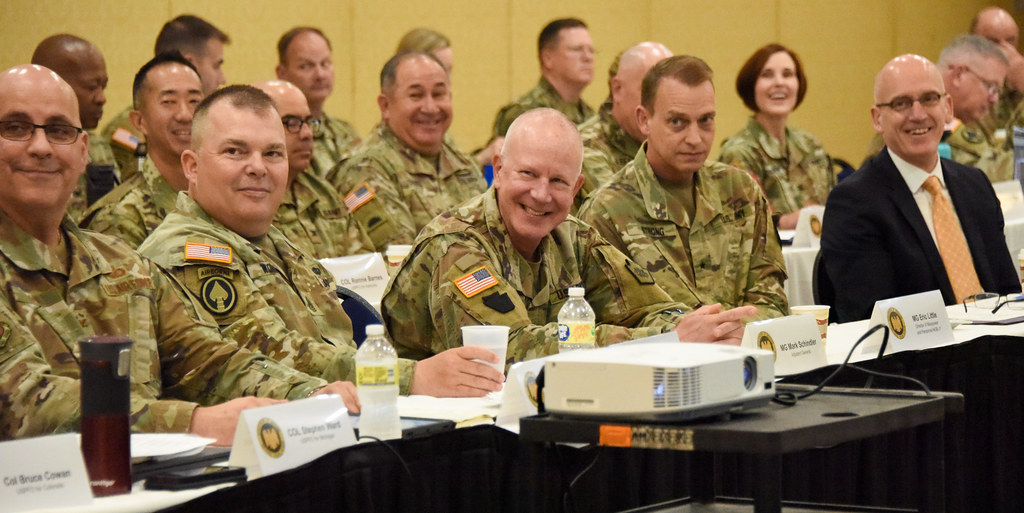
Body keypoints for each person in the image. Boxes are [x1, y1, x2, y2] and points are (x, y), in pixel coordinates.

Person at [0, 65, 356, 444]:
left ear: (83, 150)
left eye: (59, 131)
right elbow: (27, 401)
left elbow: (206, 359)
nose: (41, 147)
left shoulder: (122, 264)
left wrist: (307, 395)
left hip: (151, 476)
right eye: (16, 128)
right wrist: (193, 422)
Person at [137, 85, 503, 398]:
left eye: (272, 153)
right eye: (235, 151)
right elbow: (271, 356)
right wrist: (411, 377)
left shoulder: (274, 243)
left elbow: (339, 343)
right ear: (192, 166)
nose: (258, 167)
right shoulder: (188, 251)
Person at [383, 108, 756, 363]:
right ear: (498, 170)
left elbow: (647, 307)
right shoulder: (456, 245)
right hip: (436, 434)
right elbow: (510, 351)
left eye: (558, 181)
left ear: (576, 188)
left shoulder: (573, 237)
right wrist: (670, 340)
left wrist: (698, 327)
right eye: (528, 174)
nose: (541, 194)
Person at [579, 56, 788, 321]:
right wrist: (688, 332)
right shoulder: (607, 211)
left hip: (742, 343)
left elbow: (772, 301)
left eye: (705, 120)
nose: (694, 138)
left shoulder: (741, 191)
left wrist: (727, 330)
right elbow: (612, 322)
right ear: (644, 120)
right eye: (677, 122)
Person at [821, 54, 1019, 323]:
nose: (918, 115)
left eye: (929, 99)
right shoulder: (853, 203)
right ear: (878, 119)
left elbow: (1009, 295)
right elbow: (876, 319)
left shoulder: (975, 185)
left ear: (947, 108)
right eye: (900, 103)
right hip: (928, 348)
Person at [329, 52, 487, 250]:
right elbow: (400, 257)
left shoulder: (464, 165)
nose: (430, 108)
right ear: (385, 106)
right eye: (416, 96)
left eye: (438, 94)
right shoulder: (363, 171)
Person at [80, 53, 203, 248]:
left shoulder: (221, 198)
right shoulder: (119, 216)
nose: (185, 114)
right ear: (139, 121)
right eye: (169, 102)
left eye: (194, 101)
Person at [253, 80, 374, 259]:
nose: (307, 134)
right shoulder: (251, 196)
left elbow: (364, 262)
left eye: (309, 122)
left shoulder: (324, 193)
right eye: (291, 123)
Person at [718, 44, 832, 230]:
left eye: (787, 74)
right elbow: (741, 225)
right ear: (751, 85)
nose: (779, 82)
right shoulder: (739, 152)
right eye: (767, 75)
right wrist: (787, 221)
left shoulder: (811, 146)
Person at [102, 14, 229, 181]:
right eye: (216, 65)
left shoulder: (211, 121)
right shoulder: (128, 132)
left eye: (193, 101)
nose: (222, 79)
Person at [31, 34, 114, 220]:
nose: (102, 98)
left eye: (103, 87)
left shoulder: (98, 147)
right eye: (91, 87)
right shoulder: (20, 148)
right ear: (54, 83)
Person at [578, 42, 672, 206]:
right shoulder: (584, 147)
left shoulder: (671, 142)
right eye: (650, 91)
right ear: (617, 89)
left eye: (671, 91)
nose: (665, 102)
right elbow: (625, 212)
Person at [395, 27, 504, 168]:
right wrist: (482, 158)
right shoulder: (404, 132)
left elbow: (452, 173)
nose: (447, 80)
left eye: (449, 71)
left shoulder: (437, 125)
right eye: (440, 70)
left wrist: (484, 157)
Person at [276, 27, 361, 176]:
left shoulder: (346, 132)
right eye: (306, 66)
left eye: (325, 63)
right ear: (282, 73)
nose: (320, 75)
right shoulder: (278, 134)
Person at [490, 18, 595, 138]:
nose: (588, 57)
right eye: (576, 49)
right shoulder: (525, 114)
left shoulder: (591, 117)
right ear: (547, 58)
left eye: (591, 50)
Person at [939, 36, 1013, 182]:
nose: (995, 99)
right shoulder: (923, 115)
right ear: (958, 75)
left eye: (998, 91)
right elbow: (983, 174)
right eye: (991, 87)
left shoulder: (967, 116)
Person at [971, 6, 1024, 134]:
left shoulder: (1019, 72)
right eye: (993, 42)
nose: (1003, 49)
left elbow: (1020, 137)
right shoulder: (958, 79)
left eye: (1010, 41)